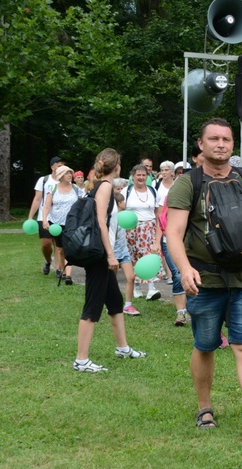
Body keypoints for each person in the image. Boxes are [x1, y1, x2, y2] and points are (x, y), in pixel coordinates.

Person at [165, 117, 242, 442]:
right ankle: (204, 407)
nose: (221, 144)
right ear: (201, 144)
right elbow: (174, 233)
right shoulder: (187, 184)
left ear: (232, 144)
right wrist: (184, 268)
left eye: (226, 139)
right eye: (214, 139)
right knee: (205, 345)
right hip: (204, 281)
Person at [74, 148, 147, 373]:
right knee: (92, 306)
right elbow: (100, 222)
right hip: (100, 255)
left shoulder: (100, 186)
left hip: (103, 253)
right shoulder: (105, 187)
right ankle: (81, 360)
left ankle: (122, 348)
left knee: (115, 303)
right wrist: (110, 254)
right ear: (117, 168)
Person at [155, 161, 188, 326]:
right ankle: (181, 313)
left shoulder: (194, 194)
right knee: (177, 275)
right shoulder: (168, 195)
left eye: (185, 172)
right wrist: (157, 242)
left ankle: (192, 309)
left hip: (190, 242)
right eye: (179, 172)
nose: (181, 174)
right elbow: (161, 219)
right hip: (170, 241)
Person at [125, 164, 162, 301]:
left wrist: (158, 235)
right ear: (133, 176)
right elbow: (121, 211)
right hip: (131, 229)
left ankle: (151, 289)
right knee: (133, 257)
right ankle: (136, 287)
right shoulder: (126, 191)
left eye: (143, 175)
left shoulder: (153, 191)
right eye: (138, 175)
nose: (141, 177)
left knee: (148, 255)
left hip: (149, 227)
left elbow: (158, 214)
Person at [42, 165, 83, 285]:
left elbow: (81, 206)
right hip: (56, 223)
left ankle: (68, 275)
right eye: (67, 173)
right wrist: (45, 220)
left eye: (71, 173)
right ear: (60, 176)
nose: (70, 175)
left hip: (72, 223)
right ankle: (61, 269)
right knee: (60, 249)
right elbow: (47, 206)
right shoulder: (52, 188)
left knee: (69, 248)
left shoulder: (76, 189)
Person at [28, 156, 63, 275]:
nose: (61, 168)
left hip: (60, 218)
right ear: (52, 167)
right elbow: (37, 199)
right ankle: (48, 261)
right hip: (44, 217)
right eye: (59, 166)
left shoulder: (65, 181)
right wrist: (30, 217)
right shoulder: (44, 180)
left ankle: (58, 269)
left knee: (58, 245)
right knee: (46, 244)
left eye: (63, 166)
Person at [111, 178, 139, 316]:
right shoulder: (112, 218)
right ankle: (111, 304)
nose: (125, 203)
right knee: (112, 280)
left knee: (131, 277)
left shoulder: (125, 217)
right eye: (123, 201)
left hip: (124, 252)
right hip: (113, 253)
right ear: (119, 203)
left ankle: (128, 305)